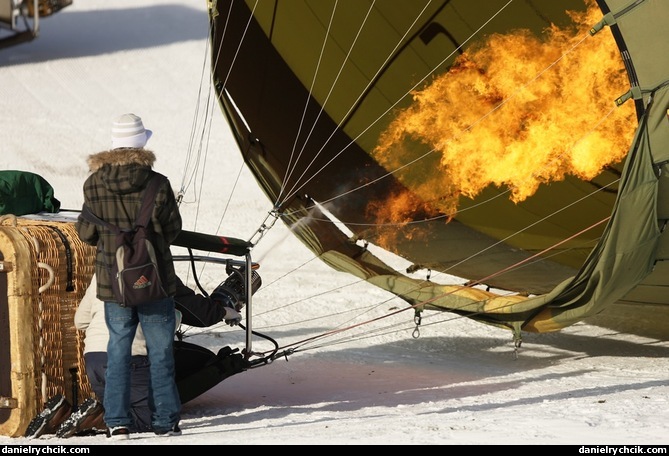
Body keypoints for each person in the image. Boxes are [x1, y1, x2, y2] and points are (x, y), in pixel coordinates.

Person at [75, 113, 183, 439]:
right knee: (161, 352)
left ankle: (117, 422)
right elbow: (173, 230)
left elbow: (85, 232)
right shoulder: (157, 183)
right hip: (154, 282)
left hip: (113, 284)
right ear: (143, 144)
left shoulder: (93, 183)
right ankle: (164, 421)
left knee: (118, 350)